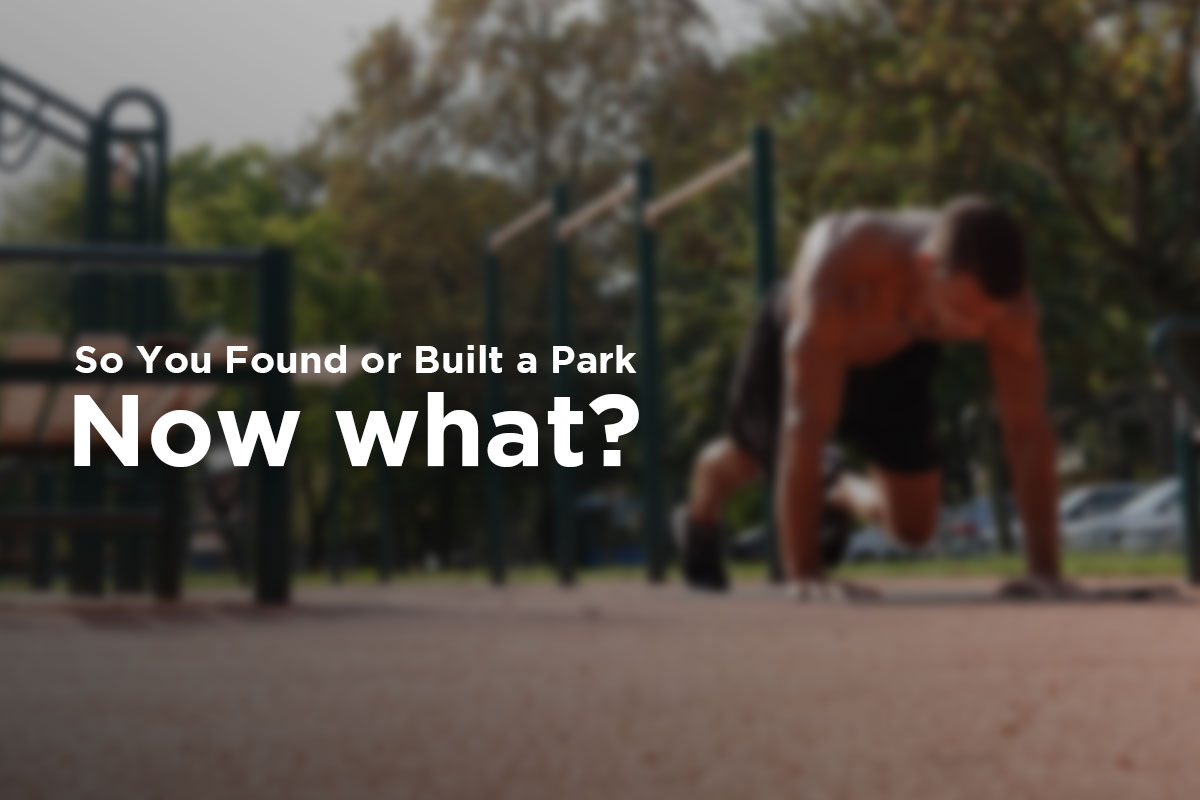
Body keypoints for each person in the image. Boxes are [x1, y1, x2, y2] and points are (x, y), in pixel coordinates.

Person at [675, 195, 1066, 599]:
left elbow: (1027, 430)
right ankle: (698, 515)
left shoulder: (1010, 310)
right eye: (961, 312)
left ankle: (837, 486)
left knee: (915, 529)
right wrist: (806, 574)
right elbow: (805, 424)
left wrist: (1045, 573)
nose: (972, 332)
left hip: (897, 355)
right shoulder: (844, 256)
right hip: (807, 348)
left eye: (987, 319)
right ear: (926, 266)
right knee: (748, 458)